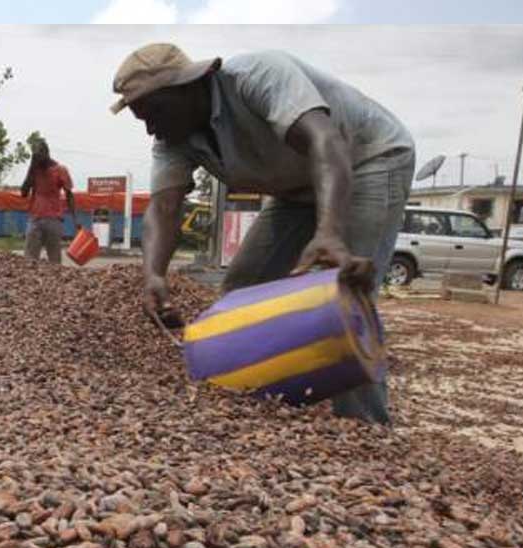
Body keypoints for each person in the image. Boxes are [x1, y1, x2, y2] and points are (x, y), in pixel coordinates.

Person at [112, 44, 414, 425]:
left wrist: (329, 232)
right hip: (295, 188)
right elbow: (164, 206)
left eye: (154, 113)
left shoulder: (257, 75)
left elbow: (325, 140)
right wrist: (154, 274)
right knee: (243, 289)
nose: (151, 128)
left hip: (367, 159)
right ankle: (257, 402)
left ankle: (365, 431)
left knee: (344, 299)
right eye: (143, 120)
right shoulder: (173, 139)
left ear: (188, 86)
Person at [20, 139, 76, 263]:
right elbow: (23, 193)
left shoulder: (60, 170)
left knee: (54, 260)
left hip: (54, 220)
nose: (37, 158)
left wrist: (75, 219)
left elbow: (69, 194)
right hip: (35, 218)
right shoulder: (34, 169)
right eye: (35, 155)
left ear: (46, 153)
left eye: (39, 155)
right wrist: (31, 168)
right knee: (29, 260)